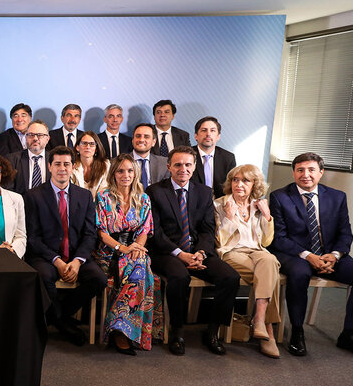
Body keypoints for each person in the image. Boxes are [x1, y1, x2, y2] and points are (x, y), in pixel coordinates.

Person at [147, 146, 240, 356]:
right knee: (179, 277)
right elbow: (156, 232)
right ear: (169, 166)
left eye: (188, 164)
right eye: (178, 165)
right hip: (166, 252)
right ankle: (177, 331)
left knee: (230, 277)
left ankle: (212, 331)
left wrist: (200, 253)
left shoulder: (204, 192)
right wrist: (180, 254)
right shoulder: (155, 191)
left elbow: (207, 229)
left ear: (194, 166)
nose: (183, 169)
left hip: (197, 251)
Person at [269, 152, 353, 356]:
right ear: (294, 173)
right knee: (299, 274)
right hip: (295, 254)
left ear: (321, 172)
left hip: (330, 255)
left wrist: (334, 255)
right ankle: (297, 331)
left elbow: (345, 232)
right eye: (300, 170)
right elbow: (279, 238)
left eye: (311, 170)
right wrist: (308, 255)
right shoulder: (280, 197)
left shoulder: (337, 196)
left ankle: (349, 334)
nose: (305, 174)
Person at [24, 146, 107, 346]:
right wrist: (58, 262)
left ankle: (57, 316)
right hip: (46, 256)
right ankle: (63, 323)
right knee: (43, 277)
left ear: (73, 167)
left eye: (67, 164)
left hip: (77, 255)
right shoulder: (33, 196)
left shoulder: (85, 196)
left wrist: (77, 262)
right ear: (50, 167)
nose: (62, 168)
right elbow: (33, 237)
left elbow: (89, 234)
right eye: (58, 164)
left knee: (99, 279)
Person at [214, 164, 281, 358]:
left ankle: (259, 318)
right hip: (231, 252)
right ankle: (266, 330)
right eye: (235, 180)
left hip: (256, 252)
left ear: (255, 184)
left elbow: (267, 241)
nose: (239, 185)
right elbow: (218, 241)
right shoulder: (219, 204)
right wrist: (227, 217)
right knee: (270, 272)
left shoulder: (259, 205)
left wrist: (267, 216)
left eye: (245, 181)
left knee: (269, 259)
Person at [94, 154, 154, 355]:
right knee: (139, 268)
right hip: (109, 252)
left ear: (135, 173)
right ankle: (120, 329)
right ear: (114, 174)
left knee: (140, 263)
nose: (125, 175)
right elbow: (101, 232)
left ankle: (119, 327)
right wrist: (122, 249)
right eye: (120, 171)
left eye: (129, 170)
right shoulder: (103, 197)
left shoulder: (143, 198)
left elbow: (145, 230)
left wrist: (136, 247)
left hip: (134, 249)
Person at [191, 116, 236, 198]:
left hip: (220, 204)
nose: (208, 134)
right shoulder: (186, 156)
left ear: (218, 136)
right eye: (204, 130)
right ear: (196, 136)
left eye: (212, 130)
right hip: (192, 203)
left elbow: (231, 187)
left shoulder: (228, 158)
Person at [6, 120, 50, 197]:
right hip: (21, 206)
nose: (35, 138)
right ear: (26, 138)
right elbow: (8, 190)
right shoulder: (12, 159)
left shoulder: (55, 160)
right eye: (31, 135)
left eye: (39, 135)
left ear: (47, 139)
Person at [131, 123, 169, 189]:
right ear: (132, 140)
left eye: (146, 137)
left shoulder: (164, 163)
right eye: (138, 136)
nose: (141, 140)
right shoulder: (120, 162)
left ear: (153, 142)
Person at [71, 131, 109, 198]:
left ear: (96, 149)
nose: (88, 147)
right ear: (77, 147)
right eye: (84, 143)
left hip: (99, 206)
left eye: (92, 144)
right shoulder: (71, 166)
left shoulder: (105, 166)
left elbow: (103, 193)